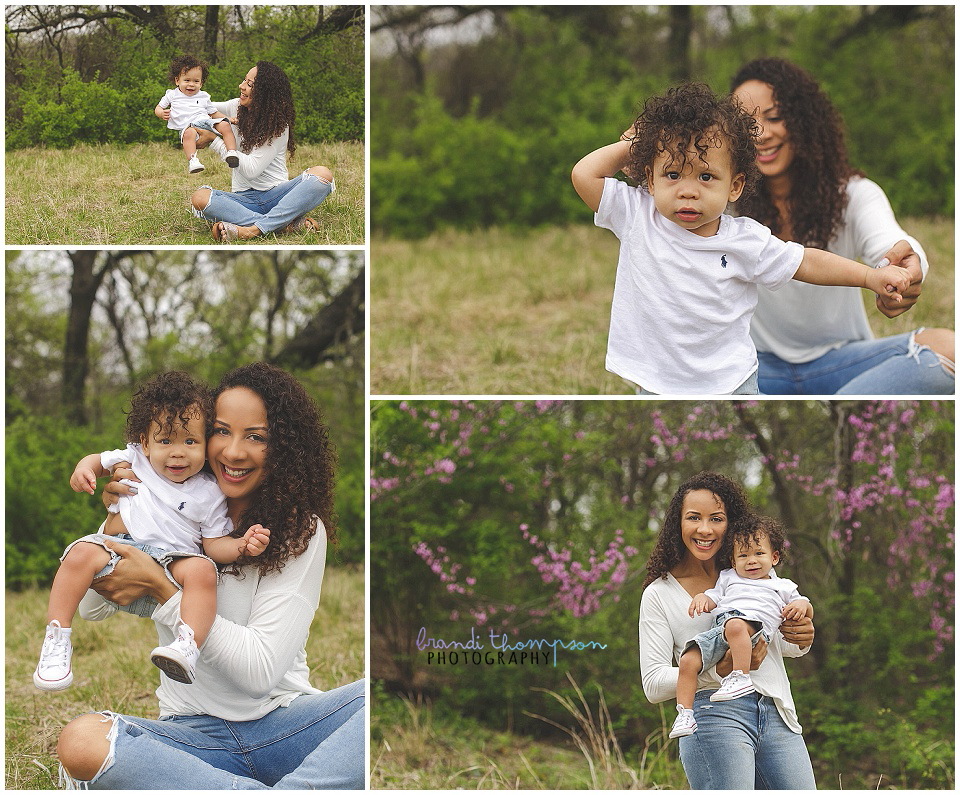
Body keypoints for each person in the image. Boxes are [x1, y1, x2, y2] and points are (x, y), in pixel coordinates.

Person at [56, 362, 365, 789]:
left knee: (376, 696)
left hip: (288, 728)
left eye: (256, 437)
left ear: (285, 449)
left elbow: (259, 673)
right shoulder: (165, 506)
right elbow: (91, 610)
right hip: (193, 738)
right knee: (82, 742)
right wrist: (116, 524)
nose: (233, 452)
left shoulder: (300, 530)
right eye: (222, 430)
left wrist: (163, 591)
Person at [572, 82, 911, 395]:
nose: (687, 191)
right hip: (657, 382)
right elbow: (584, 174)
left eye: (706, 176)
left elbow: (806, 261)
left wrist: (869, 276)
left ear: (734, 186)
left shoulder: (744, 239)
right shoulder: (637, 214)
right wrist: (634, 145)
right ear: (650, 176)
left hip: (733, 383)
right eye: (672, 174)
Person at [730, 57, 955, 394]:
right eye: (745, 124)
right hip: (755, 370)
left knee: (950, 348)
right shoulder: (721, 204)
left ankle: (841, 406)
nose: (761, 133)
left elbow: (895, 244)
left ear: (804, 121)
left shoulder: (853, 194)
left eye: (775, 117)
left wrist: (909, 269)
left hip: (844, 365)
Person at [34, 371, 269, 691]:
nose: (178, 452)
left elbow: (213, 544)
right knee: (79, 553)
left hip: (173, 561)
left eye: (190, 441)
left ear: (205, 443)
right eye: (165, 440)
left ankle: (187, 644)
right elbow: (97, 461)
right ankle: (57, 636)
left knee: (203, 570)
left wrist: (241, 545)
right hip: (118, 546)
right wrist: (84, 469)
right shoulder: (134, 460)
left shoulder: (210, 492)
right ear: (144, 442)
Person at [639, 471, 816, 789]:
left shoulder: (751, 568)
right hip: (713, 716)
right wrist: (718, 671)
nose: (704, 529)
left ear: (731, 524)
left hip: (776, 710)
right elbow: (652, 684)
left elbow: (778, 644)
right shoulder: (659, 593)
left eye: (716, 518)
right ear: (677, 524)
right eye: (693, 517)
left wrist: (802, 637)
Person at [671, 515, 812, 739]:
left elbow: (804, 604)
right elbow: (714, 597)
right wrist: (702, 599)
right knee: (688, 658)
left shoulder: (782, 585)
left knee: (736, 625)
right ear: (733, 561)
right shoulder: (728, 577)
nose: (751, 561)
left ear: (774, 557)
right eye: (743, 556)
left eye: (759, 554)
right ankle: (685, 714)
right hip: (722, 629)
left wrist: (801, 607)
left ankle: (740, 676)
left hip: (754, 630)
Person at [190, 61, 336, 242]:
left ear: (264, 94)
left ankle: (252, 230)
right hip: (243, 200)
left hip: (279, 196)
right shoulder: (236, 106)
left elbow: (252, 170)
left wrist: (214, 141)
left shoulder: (278, 125)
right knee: (199, 198)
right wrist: (180, 99)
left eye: (249, 84)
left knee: (322, 174)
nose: (241, 86)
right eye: (244, 80)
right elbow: (199, 107)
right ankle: (283, 226)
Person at [155, 55, 241, 174]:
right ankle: (193, 160)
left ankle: (231, 152)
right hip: (188, 126)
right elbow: (158, 107)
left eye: (196, 81)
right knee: (188, 134)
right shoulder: (172, 95)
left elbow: (213, 113)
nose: (191, 84)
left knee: (225, 126)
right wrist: (161, 113)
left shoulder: (204, 96)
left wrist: (228, 119)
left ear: (201, 83)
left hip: (205, 121)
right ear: (177, 80)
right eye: (187, 80)